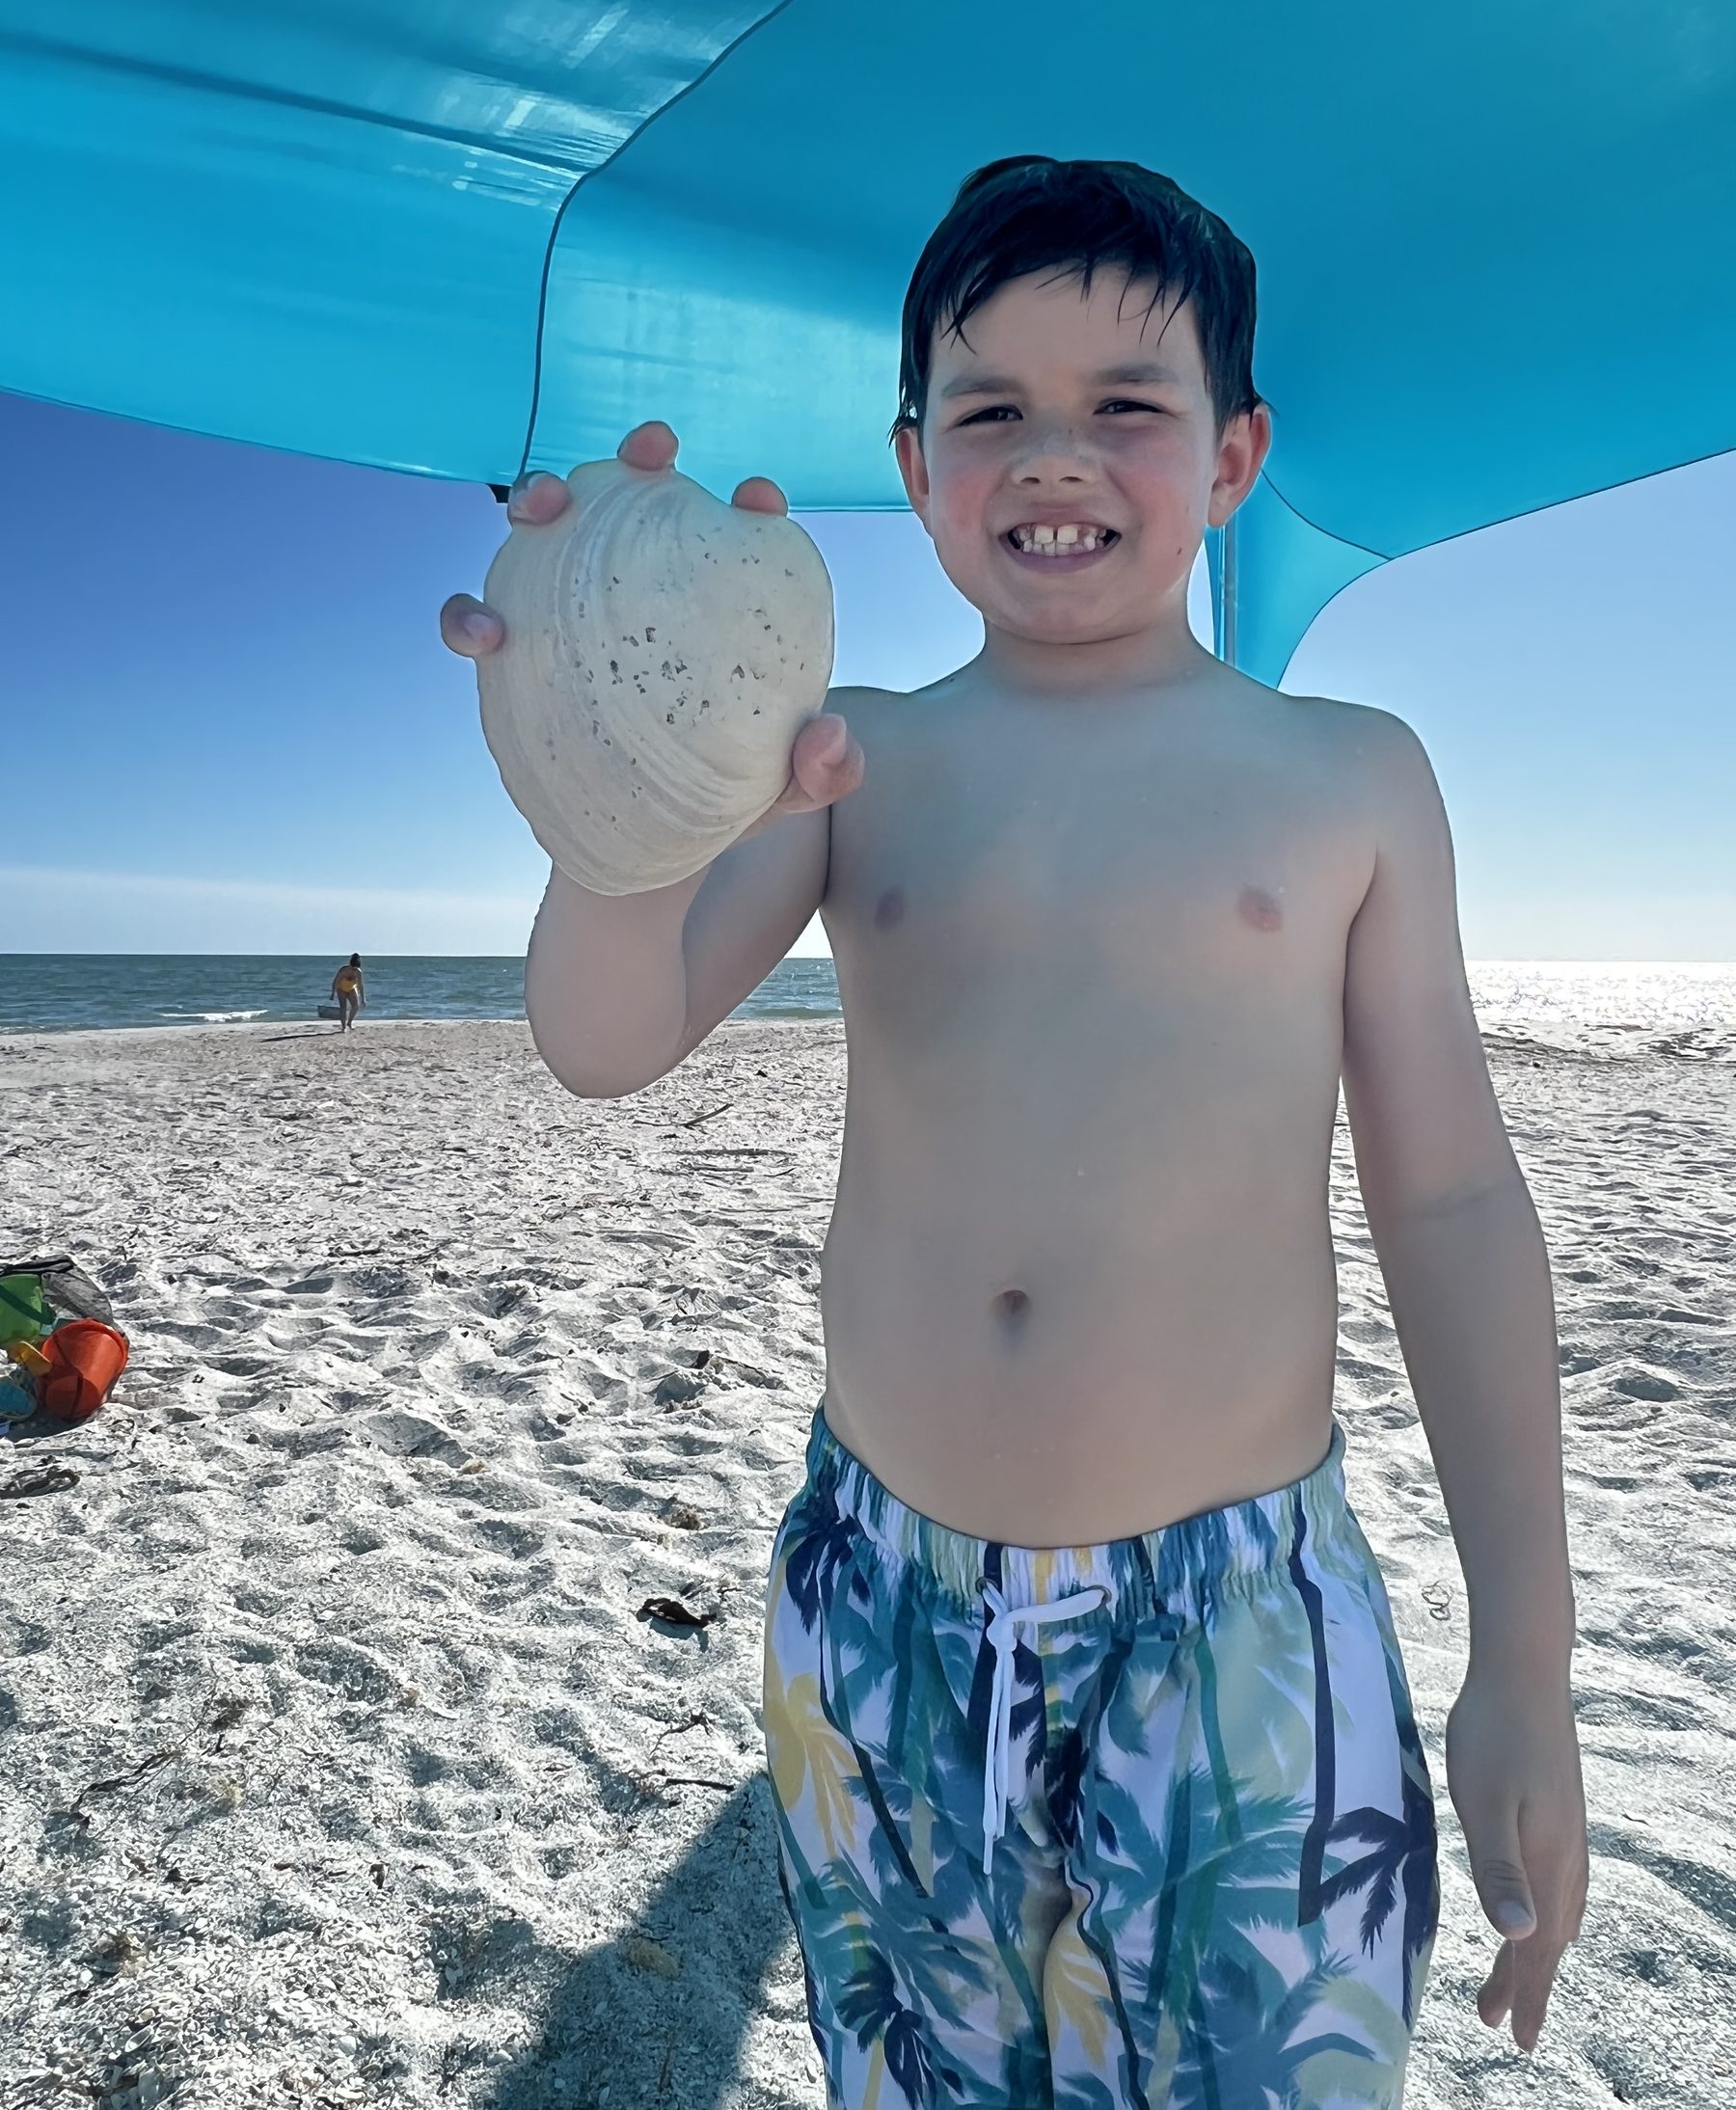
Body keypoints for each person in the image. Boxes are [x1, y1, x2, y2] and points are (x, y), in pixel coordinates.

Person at [442, 157, 1587, 2107]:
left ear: (1233, 457)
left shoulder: (1345, 777)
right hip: (882, 1603)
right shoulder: (849, 752)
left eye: (1125, 403)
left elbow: (1457, 1200)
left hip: (1241, 1614)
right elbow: (606, 1038)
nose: (1055, 454)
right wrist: (597, 798)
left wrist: (1526, 1662)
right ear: (914, 467)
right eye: (990, 411)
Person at [331, 955, 365, 1032]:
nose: (353, 970)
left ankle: (349, 1022)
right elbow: (335, 981)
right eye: (352, 968)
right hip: (341, 989)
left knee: (355, 1006)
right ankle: (343, 1027)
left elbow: (360, 986)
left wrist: (363, 998)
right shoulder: (343, 970)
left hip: (351, 989)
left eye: (355, 969)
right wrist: (333, 993)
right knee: (343, 1007)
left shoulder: (358, 972)